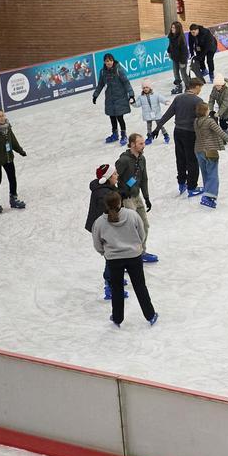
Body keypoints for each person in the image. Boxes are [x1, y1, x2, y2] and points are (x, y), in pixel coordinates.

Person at [92, 192, 158, 327]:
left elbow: (97, 244)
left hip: (113, 260)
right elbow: (142, 233)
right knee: (140, 286)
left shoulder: (99, 222)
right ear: (120, 202)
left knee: (117, 289)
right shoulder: (132, 215)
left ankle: (117, 318)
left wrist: (106, 253)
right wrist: (137, 247)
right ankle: (150, 315)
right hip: (134, 257)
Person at [153, 78, 207, 196]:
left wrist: (157, 127)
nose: (200, 91)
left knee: (181, 158)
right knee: (192, 160)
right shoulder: (198, 100)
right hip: (190, 134)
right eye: (200, 88)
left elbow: (168, 114)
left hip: (178, 132)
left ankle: (182, 183)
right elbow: (202, 119)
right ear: (196, 86)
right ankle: (192, 187)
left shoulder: (178, 98)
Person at [86, 163, 126, 300]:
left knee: (113, 256)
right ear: (107, 178)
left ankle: (114, 280)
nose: (117, 175)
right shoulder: (103, 194)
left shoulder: (107, 188)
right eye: (114, 174)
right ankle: (110, 286)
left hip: (105, 228)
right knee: (111, 257)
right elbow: (105, 217)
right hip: (104, 230)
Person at [116, 134, 158, 263]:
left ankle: (141, 252)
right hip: (127, 198)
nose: (143, 145)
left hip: (137, 196)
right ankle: (130, 256)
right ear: (132, 144)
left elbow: (143, 179)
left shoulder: (142, 159)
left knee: (144, 225)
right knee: (131, 228)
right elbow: (113, 176)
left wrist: (146, 197)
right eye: (140, 143)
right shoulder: (124, 160)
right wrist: (120, 191)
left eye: (143, 143)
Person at [193, 101, 228, 209]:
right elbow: (221, 133)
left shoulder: (195, 121)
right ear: (205, 111)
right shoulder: (209, 122)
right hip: (210, 150)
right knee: (213, 174)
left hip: (198, 150)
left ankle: (207, 193)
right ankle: (208, 197)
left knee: (205, 173)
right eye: (208, 109)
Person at [0, 108, 27, 214]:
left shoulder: (7, 127)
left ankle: (13, 199)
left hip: (8, 158)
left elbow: (13, 140)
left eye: (3, 115)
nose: (2, 118)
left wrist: (20, 150)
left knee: (12, 178)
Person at [93, 53, 135, 145]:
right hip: (110, 99)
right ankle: (115, 134)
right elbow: (100, 84)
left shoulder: (118, 69)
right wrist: (95, 95)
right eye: (107, 61)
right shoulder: (103, 72)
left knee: (120, 117)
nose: (109, 62)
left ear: (113, 60)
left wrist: (131, 95)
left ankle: (124, 135)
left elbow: (126, 82)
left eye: (111, 60)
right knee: (112, 117)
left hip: (120, 97)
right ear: (104, 62)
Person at [209, 76, 228, 142]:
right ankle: (225, 136)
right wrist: (210, 109)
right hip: (222, 107)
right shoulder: (215, 89)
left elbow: (226, 103)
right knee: (222, 122)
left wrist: (219, 113)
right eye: (216, 85)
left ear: (222, 84)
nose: (217, 87)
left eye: (218, 85)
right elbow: (211, 99)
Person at [166, 21, 190, 94]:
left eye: (174, 28)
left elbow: (184, 51)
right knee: (176, 73)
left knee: (183, 74)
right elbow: (170, 46)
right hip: (175, 58)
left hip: (182, 59)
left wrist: (183, 62)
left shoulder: (181, 39)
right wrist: (169, 51)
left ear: (178, 29)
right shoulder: (171, 36)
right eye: (172, 27)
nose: (172, 29)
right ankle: (179, 86)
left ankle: (188, 87)